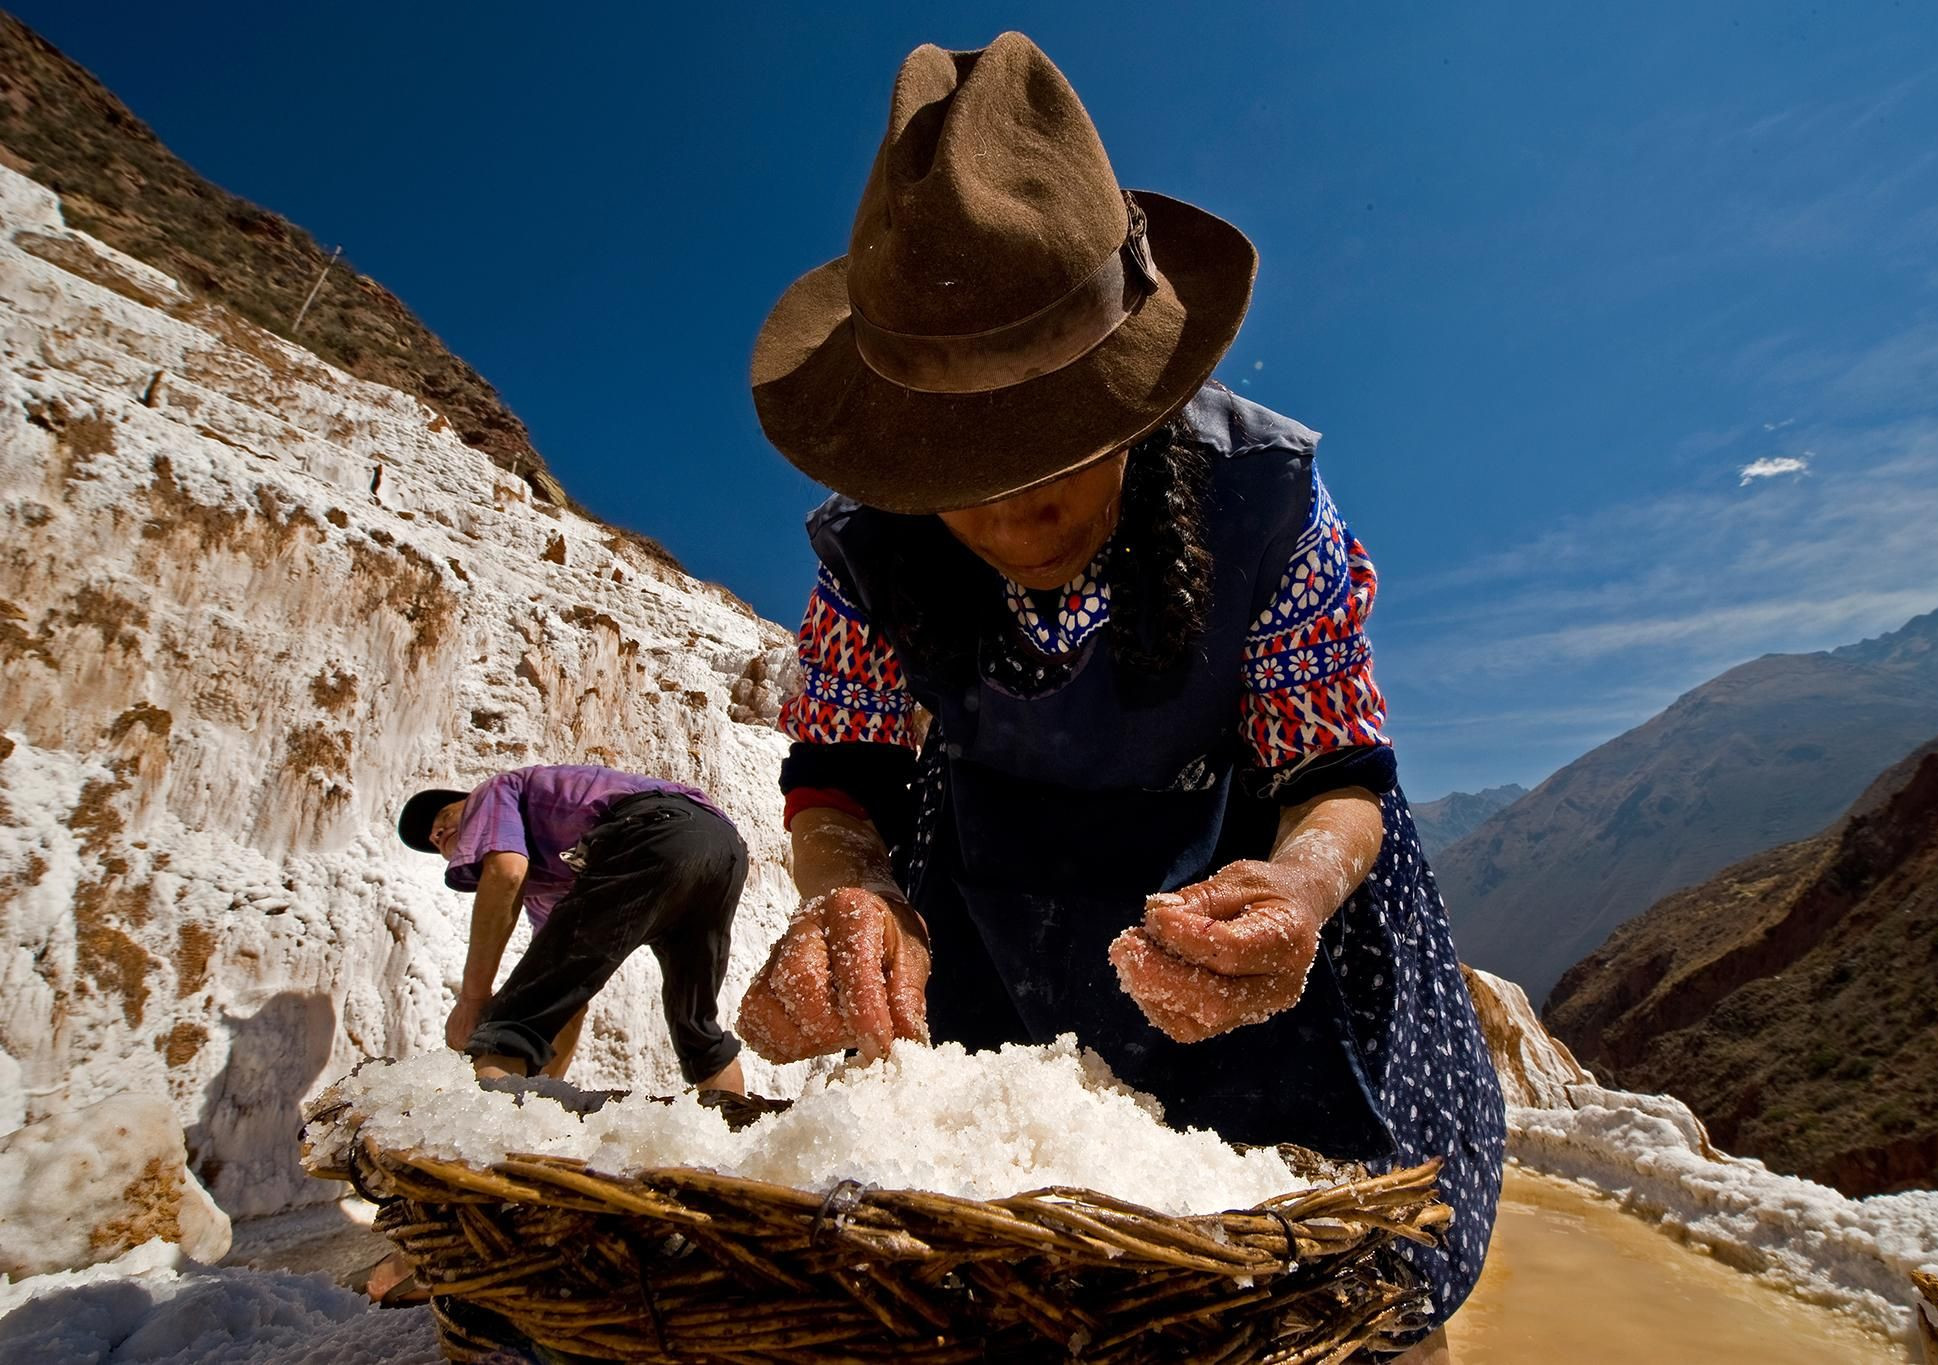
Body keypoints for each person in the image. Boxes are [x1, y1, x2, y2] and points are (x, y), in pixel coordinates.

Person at [738, 34, 1504, 1362]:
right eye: (956, 464)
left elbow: (1333, 772)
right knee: (1014, 1264)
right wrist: (851, 888)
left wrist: (1307, 886)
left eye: (1052, 439)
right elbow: (845, 771)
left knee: (1321, 1279)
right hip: (1000, 896)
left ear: (1136, 393)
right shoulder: (869, 558)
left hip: (1231, 875)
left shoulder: (1265, 505)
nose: (1007, 504)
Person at [396, 764, 747, 1093]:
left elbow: (504, 874)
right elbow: (560, 989)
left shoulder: (491, 793)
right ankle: (732, 1129)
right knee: (697, 1028)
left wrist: (473, 999)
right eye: (432, 838)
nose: (437, 833)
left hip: (655, 829)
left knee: (509, 1024)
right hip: (724, 851)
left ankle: (480, 1142)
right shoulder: (549, 883)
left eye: (444, 816)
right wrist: (545, 1091)